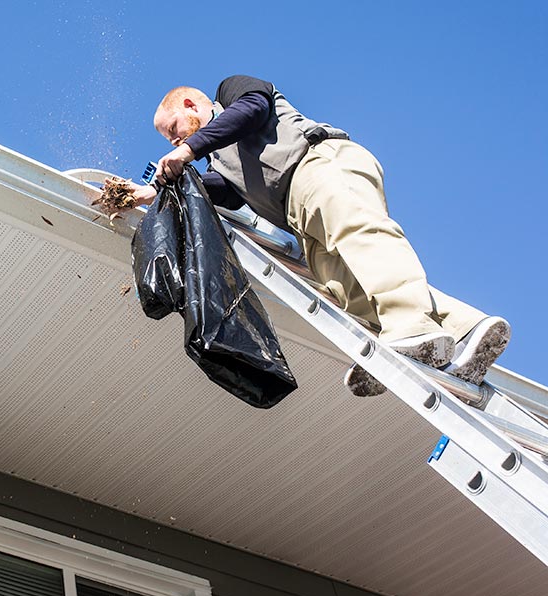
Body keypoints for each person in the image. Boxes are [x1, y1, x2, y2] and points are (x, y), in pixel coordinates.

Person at [121, 75, 509, 396]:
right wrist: (152, 192)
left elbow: (253, 110)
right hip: (297, 214)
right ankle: (464, 328)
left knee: (361, 236)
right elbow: (216, 190)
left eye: (173, 130)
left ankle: (412, 328)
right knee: (347, 284)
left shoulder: (231, 94)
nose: (173, 141)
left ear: (190, 105)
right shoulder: (220, 160)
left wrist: (188, 148)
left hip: (318, 167)